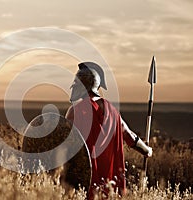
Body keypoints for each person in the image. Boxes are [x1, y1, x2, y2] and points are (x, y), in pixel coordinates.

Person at [65, 62, 152, 199]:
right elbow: (129, 136)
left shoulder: (75, 112)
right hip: (111, 187)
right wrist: (147, 150)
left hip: (85, 187)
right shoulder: (113, 112)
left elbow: (64, 145)